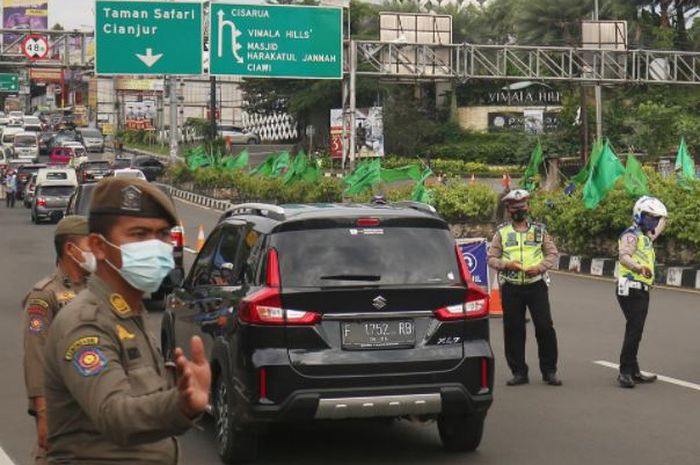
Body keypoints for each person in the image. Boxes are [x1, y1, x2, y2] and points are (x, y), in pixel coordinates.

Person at [43, 177, 210, 464]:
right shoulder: (86, 323)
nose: (156, 246)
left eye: (163, 235)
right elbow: (115, 414)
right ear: (98, 246)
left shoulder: (130, 314)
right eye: (139, 234)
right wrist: (180, 404)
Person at [22, 215, 93, 465]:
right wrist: (42, 413)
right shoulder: (45, 296)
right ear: (71, 249)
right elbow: (36, 355)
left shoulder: (98, 289)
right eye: (91, 244)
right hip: (62, 409)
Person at [487, 189, 561, 386]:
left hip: (536, 286)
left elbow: (552, 254)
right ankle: (519, 372)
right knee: (513, 330)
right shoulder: (502, 233)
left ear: (527, 207)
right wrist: (506, 265)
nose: (519, 211)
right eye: (515, 208)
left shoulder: (539, 231)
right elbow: (491, 258)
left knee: (545, 327)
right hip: (511, 288)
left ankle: (549, 371)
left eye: (522, 207)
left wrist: (539, 268)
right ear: (509, 210)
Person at [615, 196, 667, 388]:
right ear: (639, 215)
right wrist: (638, 268)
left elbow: (659, 228)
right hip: (631, 288)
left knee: (636, 330)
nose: (653, 221)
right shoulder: (631, 235)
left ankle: (633, 369)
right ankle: (625, 372)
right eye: (650, 217)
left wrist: (664, 216)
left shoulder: (645, 236)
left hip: (641, 289)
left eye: (655, 218)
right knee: (634, 330)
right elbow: (624, 257)